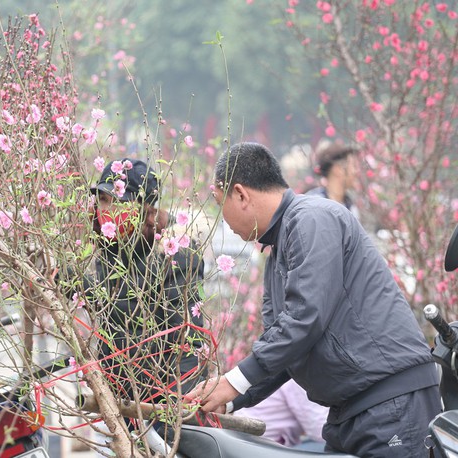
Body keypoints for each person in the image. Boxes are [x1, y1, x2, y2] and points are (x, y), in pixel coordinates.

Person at [187, 142, 441, 457]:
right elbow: (286, 346)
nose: (221, 219)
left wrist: (235, 380)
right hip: (352, 409)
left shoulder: (312, 218)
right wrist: (230, 396)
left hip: (388, 400)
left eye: (218, 202)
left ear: (240, 194)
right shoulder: (279, 249)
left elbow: (305, 317)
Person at [85, 157, 207, 403]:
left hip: (163, 397)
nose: (106, 210)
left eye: (117, 202)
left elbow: (187, 340)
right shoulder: (110, 248)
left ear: (144, 209)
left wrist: (178, 413)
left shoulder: (173, 254)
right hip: (117, 398)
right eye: (103, 200)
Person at [234, 379, 328, 450]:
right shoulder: (300, 378)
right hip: (260, 449)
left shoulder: (287, 365)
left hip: (246, 443)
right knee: (335, 451)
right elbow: (321, 432)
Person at [306, 142, 359, 217]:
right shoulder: (314, 205)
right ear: (338, 169)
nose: (356, 172)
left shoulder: (351, 207)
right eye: (353, 166)